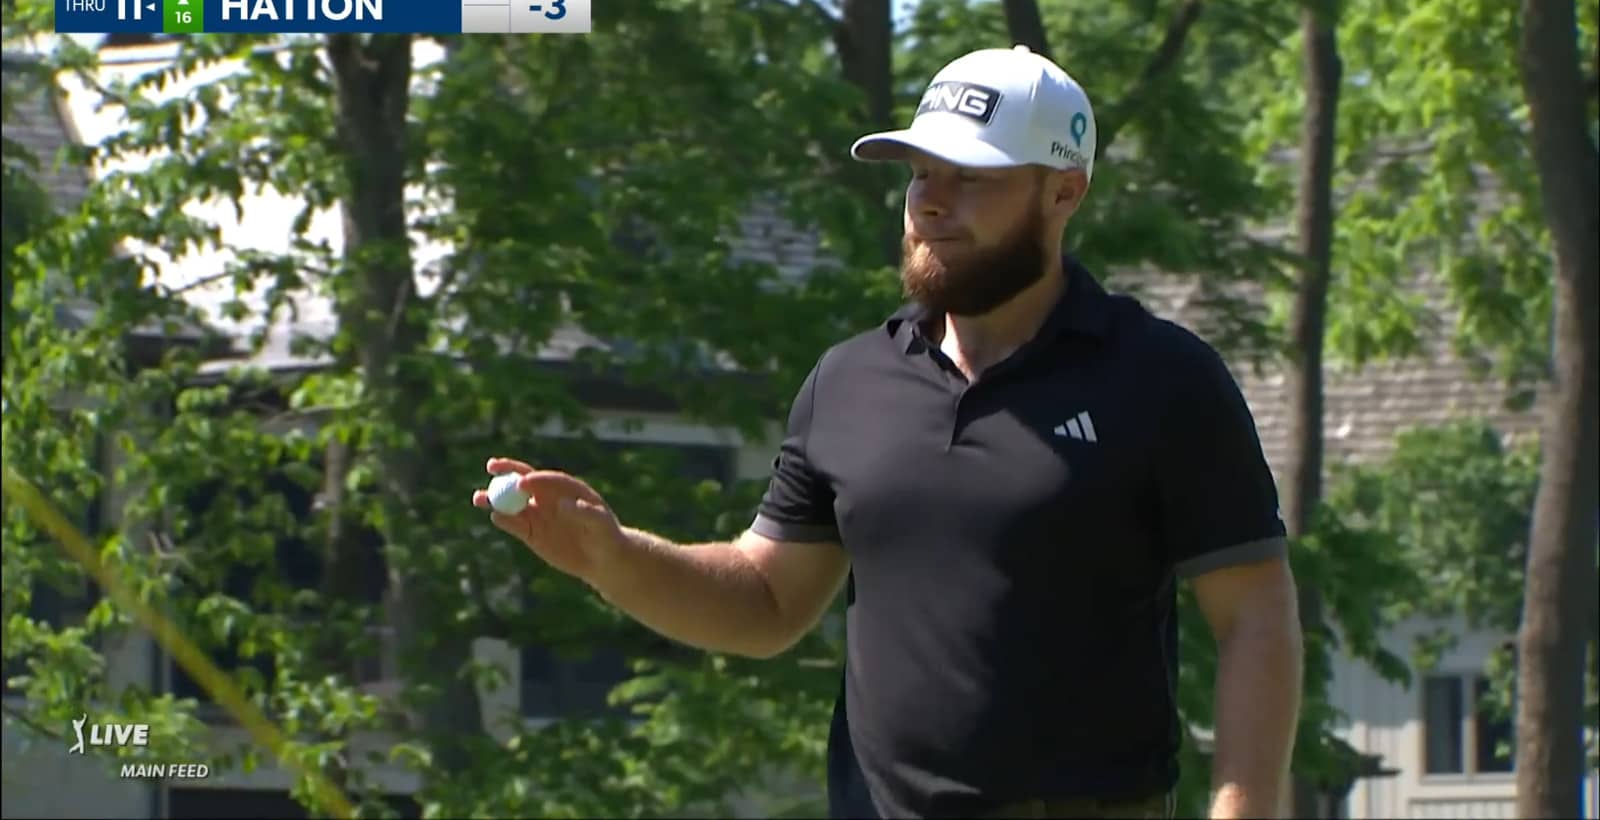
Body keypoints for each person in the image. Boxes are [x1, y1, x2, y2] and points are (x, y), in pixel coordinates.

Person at [473, 45, 1303, 820]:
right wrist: (612, 557)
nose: (931, 201)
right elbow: (766, 603)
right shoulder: (849, 380)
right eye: (919, 174)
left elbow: (1255, 619)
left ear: (1064, 190)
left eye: (970, 177)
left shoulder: (1161, 378)